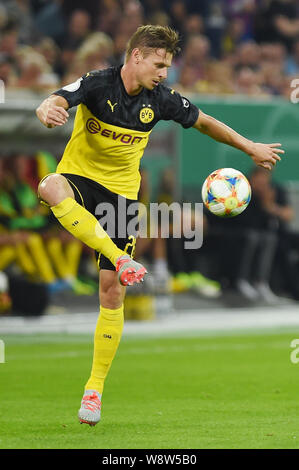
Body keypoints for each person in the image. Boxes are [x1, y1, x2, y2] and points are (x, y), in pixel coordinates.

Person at [35, 24, 283, 427]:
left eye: (167, 66)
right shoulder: (98, 84)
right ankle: (119, 257)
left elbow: (204, 122)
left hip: (122, 198)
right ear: (136, 56)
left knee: (112, 293)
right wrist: (45, 108)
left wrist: (250, 146)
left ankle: (94, 390)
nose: (164, 73)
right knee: (49, 185)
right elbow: (57, 97)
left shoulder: (160, 100)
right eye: (159, 64)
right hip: (80, 181)